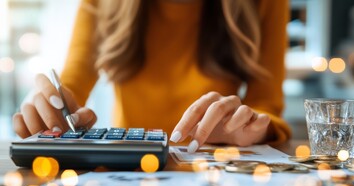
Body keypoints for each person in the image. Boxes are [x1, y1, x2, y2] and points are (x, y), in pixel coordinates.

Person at [13, 0, 291, 153]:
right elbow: (70, 86)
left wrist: (250, 128)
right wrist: (49, 104)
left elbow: (266, 104)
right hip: (128, 169)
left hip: (217, 166)